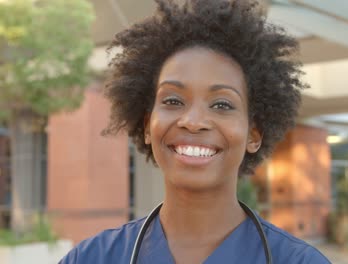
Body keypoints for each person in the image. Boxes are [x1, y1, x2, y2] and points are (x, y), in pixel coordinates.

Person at [60, 0, 330, 263]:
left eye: (222, 104)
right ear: (146, 126)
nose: (193, 121)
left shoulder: (299, 261)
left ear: (253, 134)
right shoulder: (91, 258)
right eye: (173, 101)